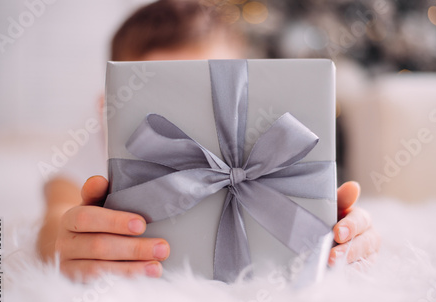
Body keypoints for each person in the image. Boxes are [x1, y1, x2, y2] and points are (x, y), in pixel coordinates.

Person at [37, 0, 380, 281]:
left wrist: (346, 233)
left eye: (214, 101)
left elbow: (318, 202)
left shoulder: (273, 137)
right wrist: (62, 242)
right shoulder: (97, 141)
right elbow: (58, 211)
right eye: (168, 98)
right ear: (107, 109)